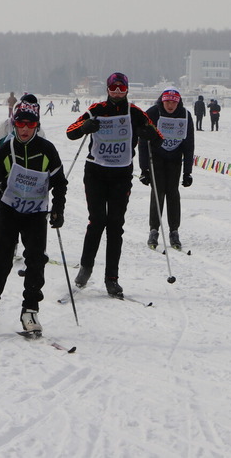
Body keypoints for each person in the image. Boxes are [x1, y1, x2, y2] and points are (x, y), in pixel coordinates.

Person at [0, 99, 67, 336]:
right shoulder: (6, 150)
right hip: (9, 210)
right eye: (21, 123)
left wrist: (58, 209)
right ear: (14, 124)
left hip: (35, 213)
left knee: (35, 260)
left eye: (30, 124)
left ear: (37, 125)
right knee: (2, 259)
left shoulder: (47, 149)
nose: (25, 129)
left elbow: (59, 183)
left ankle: (30, 311)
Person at [66, 72, 163, 297]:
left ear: (127, 89)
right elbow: (70, 132)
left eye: (121, 88)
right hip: (96, 173)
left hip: (121, 174)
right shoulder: (97, 109)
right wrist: (85, 127)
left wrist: (148, 133)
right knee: (97, 221)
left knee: (115, 225)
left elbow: (158, 138)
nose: (117, 92)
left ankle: (112, 278)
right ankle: (86, 267)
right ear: (107, 89)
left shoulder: (135, 113)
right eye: (113, 88)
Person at [139, 87, 194, 251]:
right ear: (162, 102)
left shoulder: (185, 115)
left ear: (179, 102)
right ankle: (154, 230)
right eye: (167, 102)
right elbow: (143, 143)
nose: (170, 106)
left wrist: (187, 172)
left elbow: (189, 144)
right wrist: (144, 170)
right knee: (157, 192)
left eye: (173, 102)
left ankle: (174, 231)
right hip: (156, 158)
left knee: (173, 193)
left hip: (174, 159)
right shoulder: (153, 113)